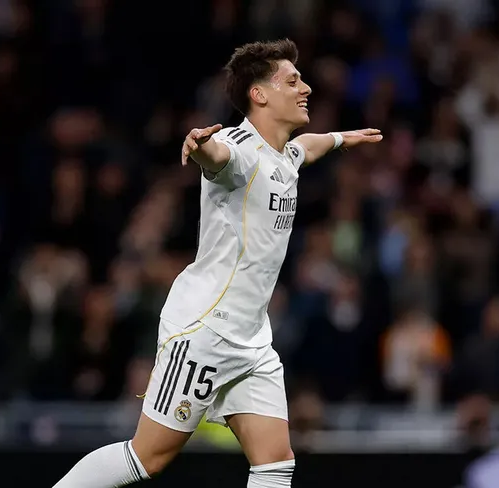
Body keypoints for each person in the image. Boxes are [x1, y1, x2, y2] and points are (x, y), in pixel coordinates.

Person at [53, 39, 382, 488]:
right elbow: (218, 157)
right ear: (259, 94)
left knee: (275, 461)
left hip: (252, 339)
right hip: (206, 330)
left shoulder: (285, 154)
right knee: (147, 457)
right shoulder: (237, 148)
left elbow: (309, 146)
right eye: (292, 81)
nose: (305, 88)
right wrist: (199, 146)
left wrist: (342, 139)